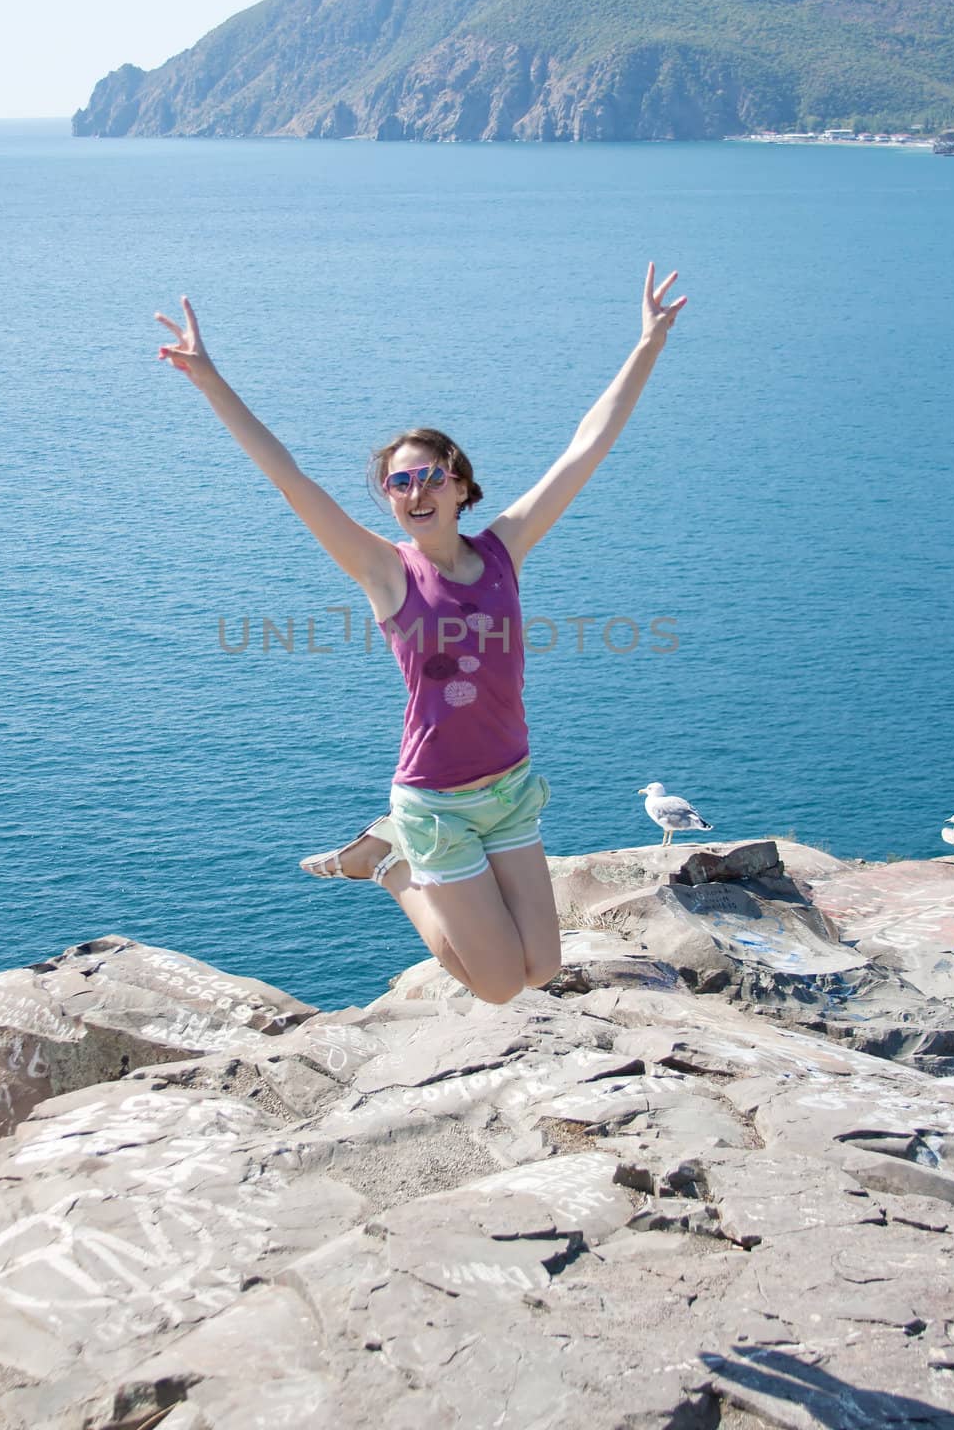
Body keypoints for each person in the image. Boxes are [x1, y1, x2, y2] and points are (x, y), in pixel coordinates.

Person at [154, 263, 686, 1004]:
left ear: (462, 486)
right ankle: (386, 864)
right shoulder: (383, 573)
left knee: (543, 970)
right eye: (398, 484)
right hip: (434, 802)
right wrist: (209, 380)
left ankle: (393, 859)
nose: (415, 492)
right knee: (499, 986)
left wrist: (647, 346)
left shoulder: (505, 548)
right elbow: (292, 480)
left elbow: (582, 450)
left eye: (430, 476)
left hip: (509, 788)